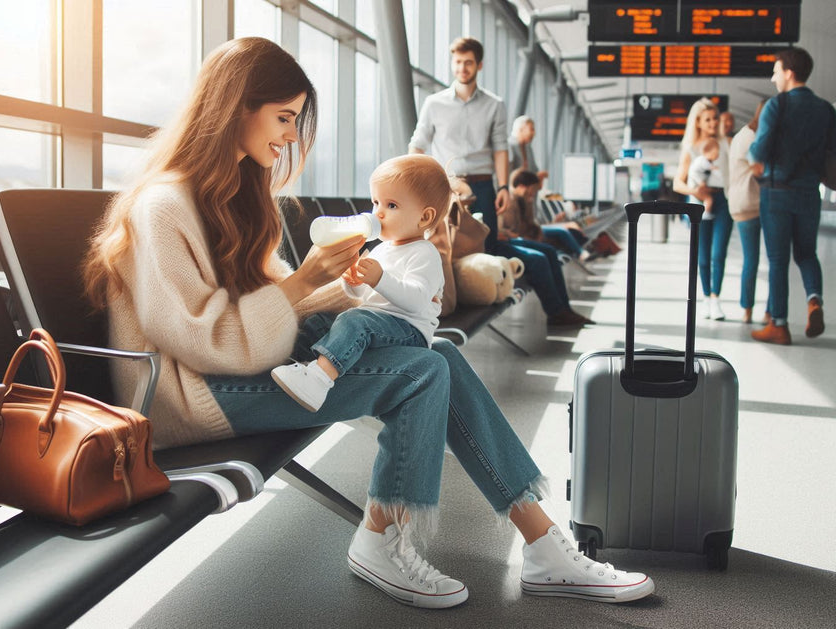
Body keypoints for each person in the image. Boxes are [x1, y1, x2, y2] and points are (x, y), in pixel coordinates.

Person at [82, 37, 654, 610]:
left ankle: (543, 546)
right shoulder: (163, 208)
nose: (288, 136)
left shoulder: (231, 196)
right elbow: (214, 341)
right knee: (422, 373)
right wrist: (307, 283)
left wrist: (369, 288)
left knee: (439, 357)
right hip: (190, 396)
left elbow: (283, 304)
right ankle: (382, 541)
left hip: (240, 364)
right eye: (283, 118)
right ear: (235, 106)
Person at [411, 37, 592, 327]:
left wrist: (504, 186)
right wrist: (419, 181)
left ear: (479, 65)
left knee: (497, 245)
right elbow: (417, 144)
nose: (462, 68)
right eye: (458, 62)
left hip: (484, 187)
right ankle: (558, 311)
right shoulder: (434, 104)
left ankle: (559, 312)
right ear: (452, 64)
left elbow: (499, 148)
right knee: (496, 249)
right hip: (449, 189)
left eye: (468, 62)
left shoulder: (494, 105)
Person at [271, 154, 451, 412]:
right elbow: (363, 296)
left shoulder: (425, 253)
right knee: (319, 322)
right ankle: (297, 368)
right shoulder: (381, 249)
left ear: (424, 218)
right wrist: (352, 282)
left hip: (408, 331)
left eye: (391, 205)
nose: (377, 212)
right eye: (375, 201)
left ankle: (319, 381)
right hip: (378, 323)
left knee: (355, 321)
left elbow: (417, 301)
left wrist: (380, 279)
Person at [748, 47, 836, 345]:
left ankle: (778, 324)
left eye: (776, 70)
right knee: (806, 253)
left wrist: (756, 155)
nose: (773, 76)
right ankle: (814, 299)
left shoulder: (777, 106)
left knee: (777, 260)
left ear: (789, 73)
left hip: (777, 192)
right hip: (809, 193)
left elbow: (759, 150)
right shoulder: (826, 109)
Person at [672, 97, 733, 321]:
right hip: (698, 202)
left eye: (715, 118)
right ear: (697, 122)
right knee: (703, 255)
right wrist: (695, 191)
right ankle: (707, 297)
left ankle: (716, 298)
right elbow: (677, 182)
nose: (712, 123)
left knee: (719, 253)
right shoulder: (690, 149)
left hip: (723, 200)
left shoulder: (726, 144)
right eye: (707, 119)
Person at [728, 99, 769, 324]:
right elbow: (760, 168)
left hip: (740, 202)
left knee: (750, 259)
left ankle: (747, 309)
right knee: (771, 259)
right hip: (755, 202)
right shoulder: (756, 137)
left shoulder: (741, 135)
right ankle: (768, 312)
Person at [505, 168, 595, 263]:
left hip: (527, 233)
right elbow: (514, 230)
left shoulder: (527, 201)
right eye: (532, 189)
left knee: (560, 235)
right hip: (519, 237)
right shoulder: (511, 203)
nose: (533, 193)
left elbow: (530, 223)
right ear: (522, 186)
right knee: (557, 238)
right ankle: (571, 254)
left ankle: (570, 254)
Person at [688, 138, 725, 218]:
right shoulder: (703, 161)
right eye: (716, 152)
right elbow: (695, 173)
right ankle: (705, 213)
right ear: (707, 151)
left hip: (699, 185)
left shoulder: (704, 161)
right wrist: (701, 182)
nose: (717, 155)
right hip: (695, 185)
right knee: (708, 199)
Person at [509, 115, 548, 186]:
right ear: (521, 129)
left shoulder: (528, 148)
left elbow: (533, 170)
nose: (534, 133)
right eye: (531, 129)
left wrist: (538, 175)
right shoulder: (509, 146)